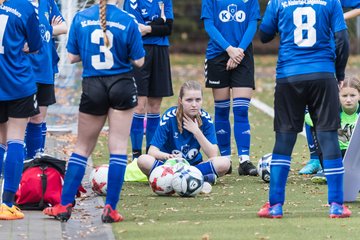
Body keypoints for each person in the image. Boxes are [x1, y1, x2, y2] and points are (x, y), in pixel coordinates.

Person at [43, 0, 145, 223]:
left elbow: (72, 57)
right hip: (122, 84)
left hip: (93, 85)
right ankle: (111, 208)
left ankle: (64, 204)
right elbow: (139, 60)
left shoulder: (80, 18)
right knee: (118, 148)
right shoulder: (128, 21)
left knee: (82, 148)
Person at [258, 0, 351, 218]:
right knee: (328, 137)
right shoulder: (331, 1)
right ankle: (336, 204)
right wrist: (339, 74)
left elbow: (264, 35)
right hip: (323, 74)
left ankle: (275, 205)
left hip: (289, 76)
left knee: (284, 138)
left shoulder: (277, 1)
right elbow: (342, 40)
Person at [299, 0, 360, 175]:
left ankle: (337, 156)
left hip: (327, 56)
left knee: (324, 107)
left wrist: (337, 18)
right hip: (304, 56)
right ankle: (314, 158)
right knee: (307, 109)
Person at [200, 0, 260, 175]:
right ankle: (225, 160)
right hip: (217, 56)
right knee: (222, 110)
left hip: (243, 56)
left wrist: (238, 51)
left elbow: (252, 24)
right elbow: (209, 25)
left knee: (241, 109)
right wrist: (229, 49)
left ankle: (244, 160)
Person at [137, 81, 231, 185]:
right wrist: (168, 156)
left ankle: (173, 181)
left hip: (194, 167)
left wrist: (196, 131)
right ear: (180, 101)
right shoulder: (169, 117)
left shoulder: (205, 118)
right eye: (189, 100)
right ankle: (198, 179)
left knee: (224, 163)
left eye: (198, 100)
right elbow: (152, 152)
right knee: (143, 160)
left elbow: (213, 154)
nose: (194, 105)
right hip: (169, 167)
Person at [0, 0, 42, 220]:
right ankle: (6, 203)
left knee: (0, 140)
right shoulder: (24, 7)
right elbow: (36, 45)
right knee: (16, 139)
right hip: (17, 81)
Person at [124, 0, 174, 160]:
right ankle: (136, 155)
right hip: (140, 51)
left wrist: (148, 27)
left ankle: (151, 154)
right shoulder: (131, 2)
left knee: (154, 106)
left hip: (161, 51)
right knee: (139, 106)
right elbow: (136, 29)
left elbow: (168, 28)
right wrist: (158, 24)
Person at [24, 0, 67, 159]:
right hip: (25, 69)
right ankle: (20, 161)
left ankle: (36, 160)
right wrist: (48, 29)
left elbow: (63, 27)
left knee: (39, 118)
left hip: (45, 68)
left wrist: (46, 28)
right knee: (21, 119)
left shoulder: (48, 2)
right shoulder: (16, 4)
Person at [310, 76, 360, 183]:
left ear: (359, 96)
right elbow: (308, 117)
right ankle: (327, 169)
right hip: (335, 153)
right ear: (338, 96)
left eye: (352, 95)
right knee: (316, 125)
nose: (348, 100)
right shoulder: (331, 108)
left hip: (355, 155)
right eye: (344, 96)